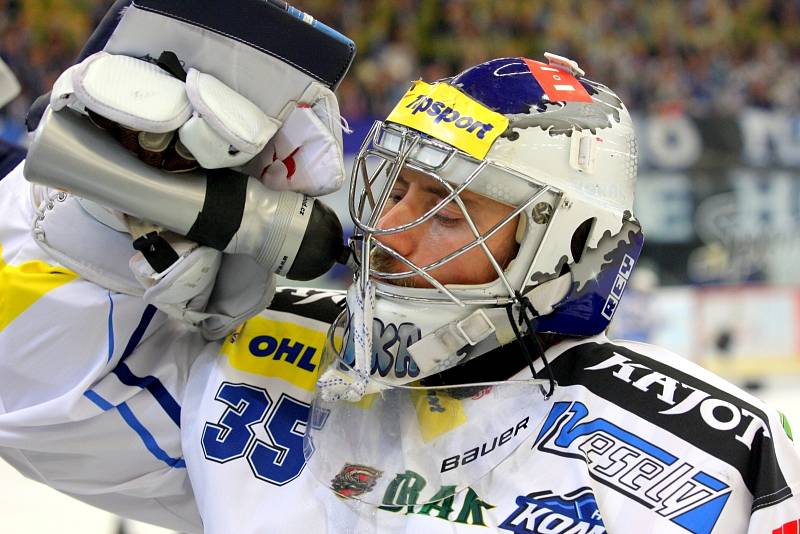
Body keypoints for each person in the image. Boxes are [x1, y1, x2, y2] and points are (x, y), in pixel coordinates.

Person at [1, 7, 799, 534]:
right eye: (395, 189)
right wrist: (94, 217)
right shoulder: (257, 360)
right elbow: (28, 393)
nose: (387, 231)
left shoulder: (715, 453)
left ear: (564, 246)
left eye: (447, 211)